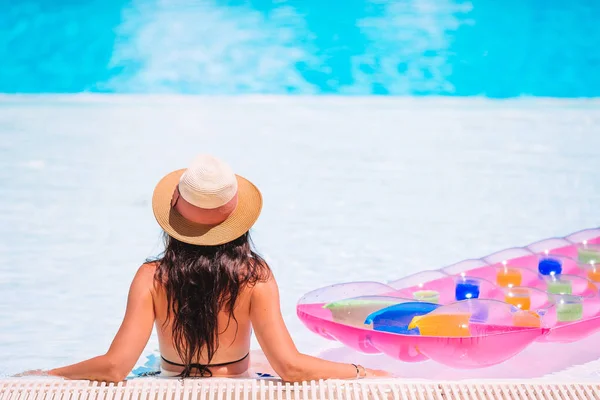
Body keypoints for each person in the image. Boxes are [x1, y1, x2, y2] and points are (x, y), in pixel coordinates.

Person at [32, 154, 387, 382]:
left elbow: (114, 367)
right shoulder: (254, 276)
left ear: (174, 216)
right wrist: (360, 371)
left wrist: (49, 374)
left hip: (170, 382)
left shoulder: (152, 277)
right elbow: (291, 368)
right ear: (237, 220)